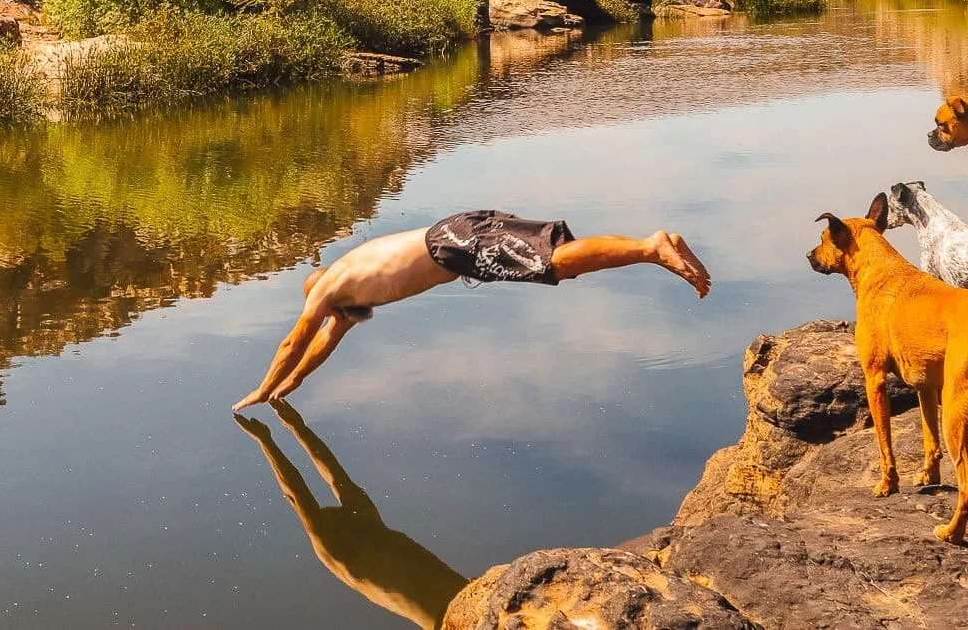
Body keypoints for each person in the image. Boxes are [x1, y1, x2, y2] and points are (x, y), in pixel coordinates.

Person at [234, 211, 711, 410]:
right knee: (559, 260)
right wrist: (293, 382)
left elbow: (295, 339)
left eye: (331, 316)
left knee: (555, 264)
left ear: (321, 299)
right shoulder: (348, 286)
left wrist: (262, 386)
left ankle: (651, 247)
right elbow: (321, 344)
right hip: (458, 235)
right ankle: (651, 246)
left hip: (454, 244)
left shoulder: (328, 288)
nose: (334, 323)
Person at [236, 401, 467, 630]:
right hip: (448, 614)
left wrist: (292, 428)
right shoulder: (339, 542)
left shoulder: (359, 526)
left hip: (450, 604)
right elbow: (301, 493)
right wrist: (272, 438)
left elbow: (324, 480)